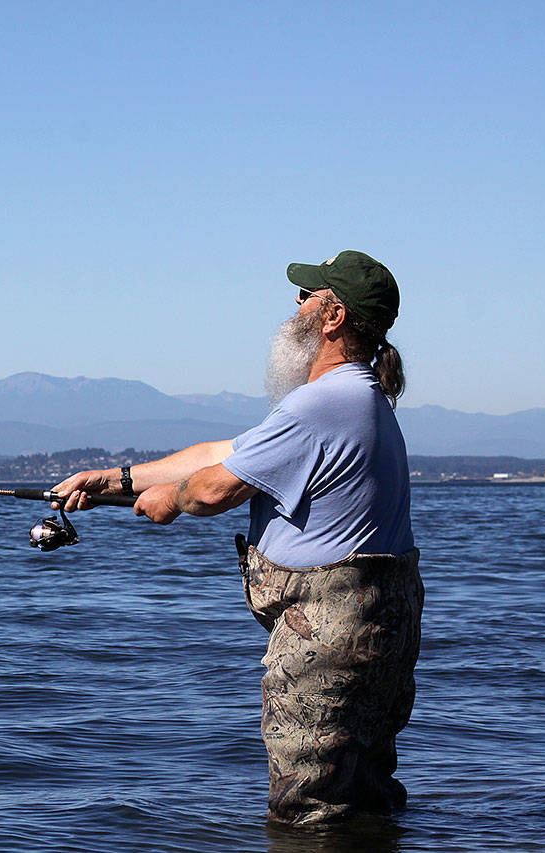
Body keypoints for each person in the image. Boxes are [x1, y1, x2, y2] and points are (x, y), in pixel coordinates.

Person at [52, 250, 422, 825]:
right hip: (374, 639)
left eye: (307, 296)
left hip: (329, 647)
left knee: (309, 815)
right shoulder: (357, 398)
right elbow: (220, 456)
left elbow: (213, 490)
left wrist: (169, 501)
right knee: (363, 799)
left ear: (333, 317)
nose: (294, 306)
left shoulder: (321, 405)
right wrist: (114, 481)